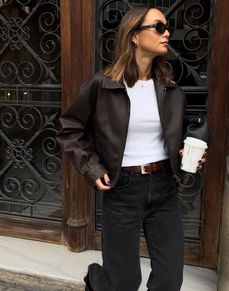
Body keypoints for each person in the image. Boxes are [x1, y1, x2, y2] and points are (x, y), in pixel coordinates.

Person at [56, 4, 199, 291]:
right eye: (158, 27)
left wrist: (187, 151)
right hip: (123, 187)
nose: (167, 33)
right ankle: (96, 279)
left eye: (167, 27)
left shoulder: (170, 88)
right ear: (134, 36)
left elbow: (175, 134)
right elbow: (69, 129)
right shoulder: (103, 84)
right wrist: (92, 167)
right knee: (123, 282)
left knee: (170, 279)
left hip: (164, 188)